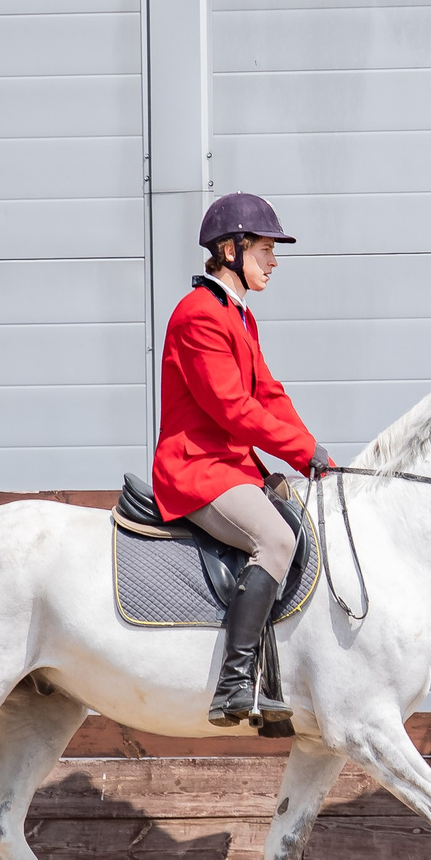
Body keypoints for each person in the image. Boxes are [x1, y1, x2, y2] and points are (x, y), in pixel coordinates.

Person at [154, 192, 333, 727]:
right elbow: (233, 409)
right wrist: (301, 450)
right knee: (276, 538)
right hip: (198, 468)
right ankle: (234, 683)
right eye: (264, 249)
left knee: (300, 521)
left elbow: (269, 394)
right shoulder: (199, 316)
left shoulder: (238, 317)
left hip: (231, 467)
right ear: (231, 250)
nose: (274, 261)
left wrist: (315, 454)